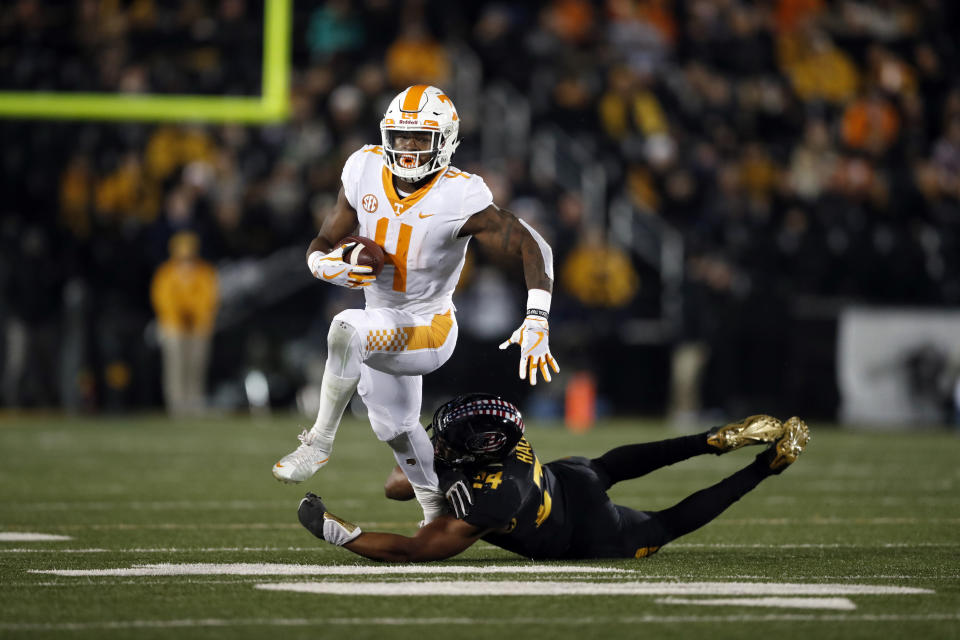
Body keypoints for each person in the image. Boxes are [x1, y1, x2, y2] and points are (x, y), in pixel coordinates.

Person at [272, 86, 559, 525]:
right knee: (397, 428)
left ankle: (319, 442)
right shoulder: (363, 167)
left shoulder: (460, 194)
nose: (407, 148)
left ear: (445, 141)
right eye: (401, 136)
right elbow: (326, 239)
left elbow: (532, 244)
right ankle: (434, 514)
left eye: (419, 138)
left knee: (346, 327)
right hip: (380, 323)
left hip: (430, 327)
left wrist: (537, 316)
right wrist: (324, 265)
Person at [296, 393, 810, 561]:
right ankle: (712, 439)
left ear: (479, 449)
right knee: (607, 466)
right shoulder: (504, 440)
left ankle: (767, 464)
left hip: (587, 533)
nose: (440, 440)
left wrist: (340, 531)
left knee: (665, 525)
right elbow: (399, 484)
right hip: (568, 481)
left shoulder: (492, 502)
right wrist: (434, 466)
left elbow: (412, 550)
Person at [150, 231, 219, 416]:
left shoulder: (204, 272)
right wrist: (180, 316)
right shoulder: (165, 273)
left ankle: (194, 401)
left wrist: (194, 316)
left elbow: (208, 300)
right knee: (175, 363)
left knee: (197, 364)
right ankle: (176, 403)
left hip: (198, 326)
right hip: (173, 326)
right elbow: (163, 301)